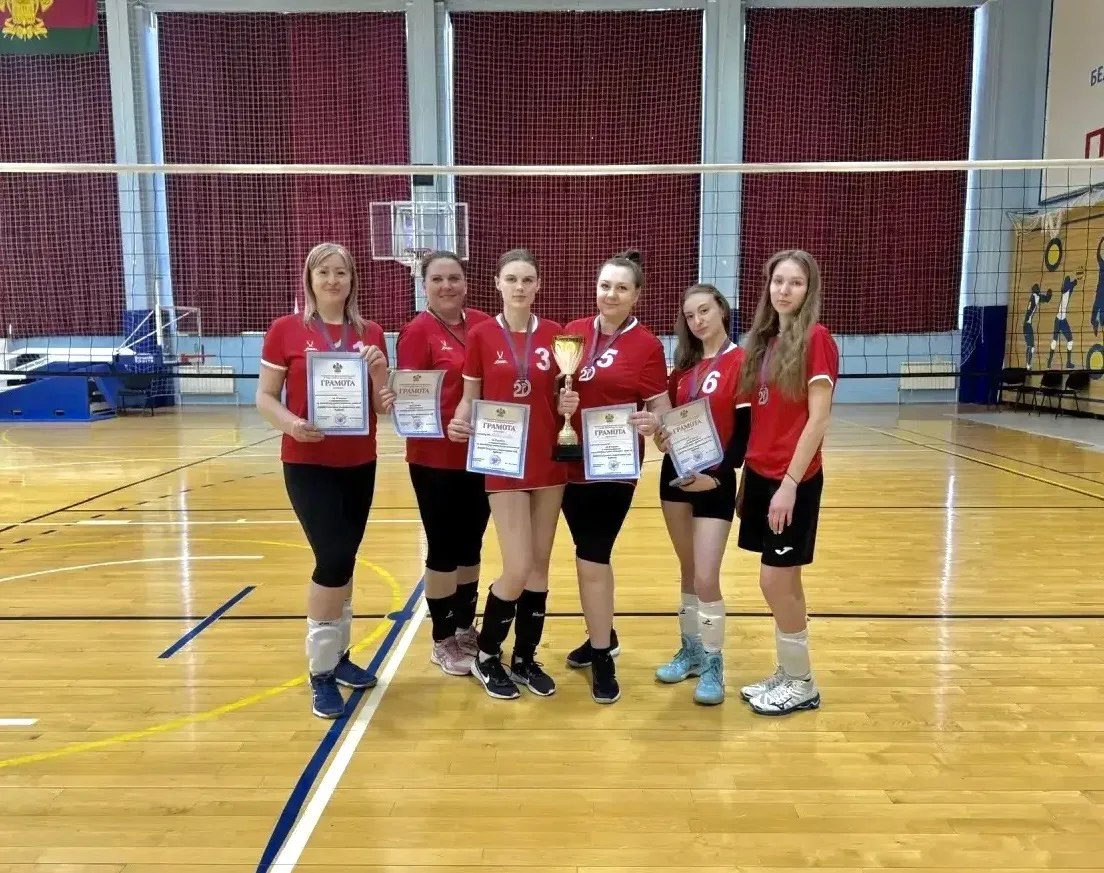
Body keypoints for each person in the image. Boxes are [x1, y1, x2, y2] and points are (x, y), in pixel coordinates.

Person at [256, 242, 395, 720]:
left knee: (345, 560)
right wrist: (293, 424)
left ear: (352, 279)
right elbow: (265, 397)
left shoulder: (370, 333)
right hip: (307, 463)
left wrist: (380, 374)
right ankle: (320, 671)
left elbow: (382, 406)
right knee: (332, 558)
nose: (333, 280)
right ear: (310, 280)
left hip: (359, 462)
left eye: (341, 272)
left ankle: (339, 657)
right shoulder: (285, 330)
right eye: (324, 273)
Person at [447, 248, 577, 700]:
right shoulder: (481, 335)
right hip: (503, 462)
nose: (519, 287)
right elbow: (469, 398)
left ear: (538, 285)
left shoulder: (558, 335)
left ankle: (524, 657)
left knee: (539, 568)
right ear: (497, 284)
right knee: (517, 566)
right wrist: (459, 420)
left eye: (527, 280)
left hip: (549, 462)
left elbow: (561, 395)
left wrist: (567, 404)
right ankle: (486, 655)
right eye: (512, 279)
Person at [559, 250, 670, 704]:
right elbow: (556, 391)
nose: (611, 294)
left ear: (636, 295)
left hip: (613, 467)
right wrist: (560, 403)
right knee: (586, 555)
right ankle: (602, 633)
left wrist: (654, 424)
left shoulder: (647, 345)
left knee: (593, 556)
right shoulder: (573, 331)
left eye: (622, 288)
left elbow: (660, 407)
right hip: (567, 461)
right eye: (605, 285)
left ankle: (603, 655)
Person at [735, 249, 838, 716]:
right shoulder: (766, 342)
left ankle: (802, 683)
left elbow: (818, 421)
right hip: (761, 476)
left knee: (774, 582)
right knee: (786, 582)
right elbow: (760, 419)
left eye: (795, 282)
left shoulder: (817, 339)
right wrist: (748, 479)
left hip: (792, 480)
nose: (784, 290)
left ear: (808, 289)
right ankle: (790, 670)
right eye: (778, 281)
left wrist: (790, 484)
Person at [652, 283, 750, 706]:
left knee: (708, 575)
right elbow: (670, 428)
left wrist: (719, 478)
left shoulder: (742, 362)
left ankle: (713, 662)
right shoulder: (682, 370)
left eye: (704, 310)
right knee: (689, 570)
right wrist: (660, 438)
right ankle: (690, 651)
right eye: (690, 315)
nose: (697, 320)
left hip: (715, 480)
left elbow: (744, 434)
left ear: (722, 310)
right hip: (675, 478)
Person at [395, 251, 492, 677]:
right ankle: (442, 637)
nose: (447, 285)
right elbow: (411, 402)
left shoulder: (485, 325)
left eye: (454, 277)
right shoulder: (417, 332)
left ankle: (466, 626)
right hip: (435, 458)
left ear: (467, 283)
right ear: (425, 285)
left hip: (484, 454)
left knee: (472, 545)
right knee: (444, 547)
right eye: (437, 279)